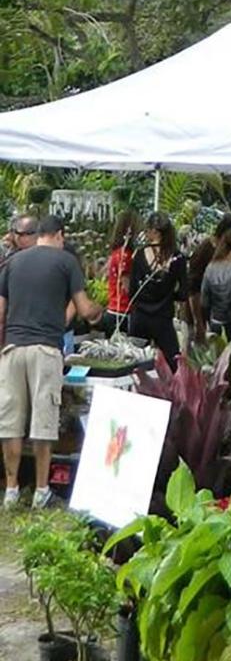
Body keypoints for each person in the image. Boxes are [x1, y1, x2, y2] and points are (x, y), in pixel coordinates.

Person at [0, 215, 102, 508]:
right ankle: (42, 490)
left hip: (13, 350)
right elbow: (84, 308)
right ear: (59, 235)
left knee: (10, 423)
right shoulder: (66, 261)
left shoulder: (13, 263)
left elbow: (0, 312)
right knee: (43, 422)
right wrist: (98, 310)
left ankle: (11, 489)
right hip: (45, 350)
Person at [128, 211, 188, 368]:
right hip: (163, 318)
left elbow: (132, 290)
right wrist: (169, 295)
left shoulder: (139, 255)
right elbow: (183, 293)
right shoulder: (178, 258)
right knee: (174, 362)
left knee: (134, 362)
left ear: (153, 232)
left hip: (140, 317)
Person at [103, 210, 139, 333]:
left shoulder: (116, 253)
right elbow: (127, 286)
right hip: (121, 311)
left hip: (114, 309)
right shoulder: (125, 256)